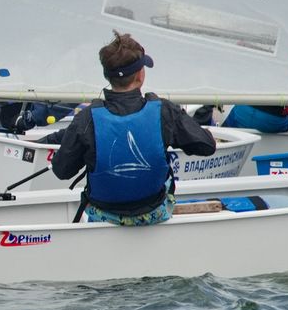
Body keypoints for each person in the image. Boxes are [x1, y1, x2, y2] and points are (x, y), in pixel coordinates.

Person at [45, 32, 217, 225]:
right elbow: (207, 146)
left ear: (106, 76)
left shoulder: (86, 119)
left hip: (104, 219)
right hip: (154, 215)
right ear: (140, 75)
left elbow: (62, 171)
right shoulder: (164, 112)